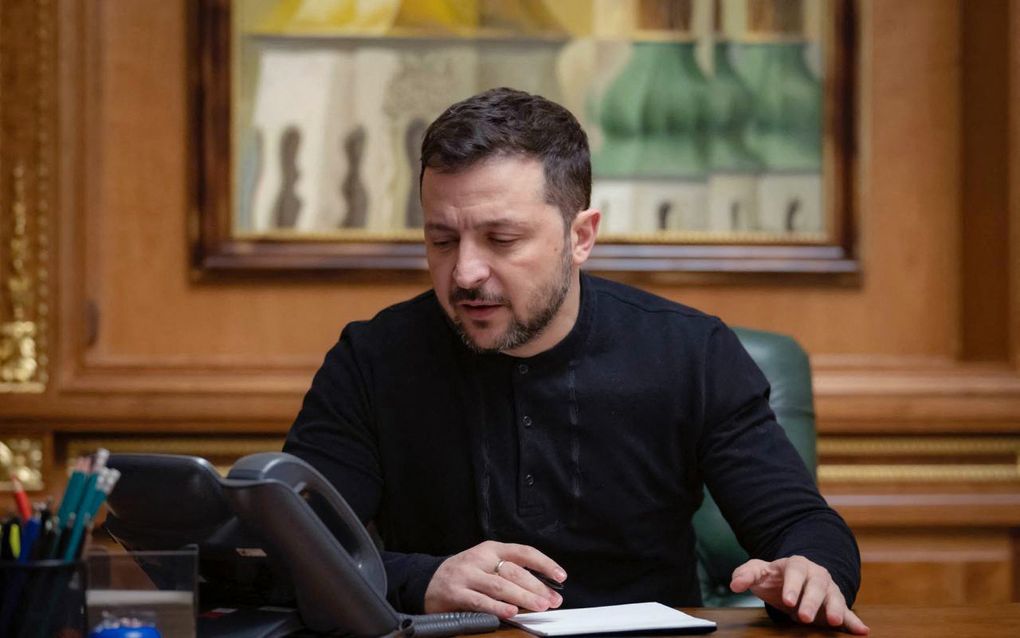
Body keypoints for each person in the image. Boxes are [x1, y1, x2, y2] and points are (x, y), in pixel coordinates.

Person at [284, 87, 868, 634]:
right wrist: (421, 579)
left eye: (502, 239)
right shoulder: (372, 358)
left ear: (580, 236)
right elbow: (290, 551)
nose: (464, 272)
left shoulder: (692, 353)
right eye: (442, 240)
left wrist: (809, 572)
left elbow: (807, 527)